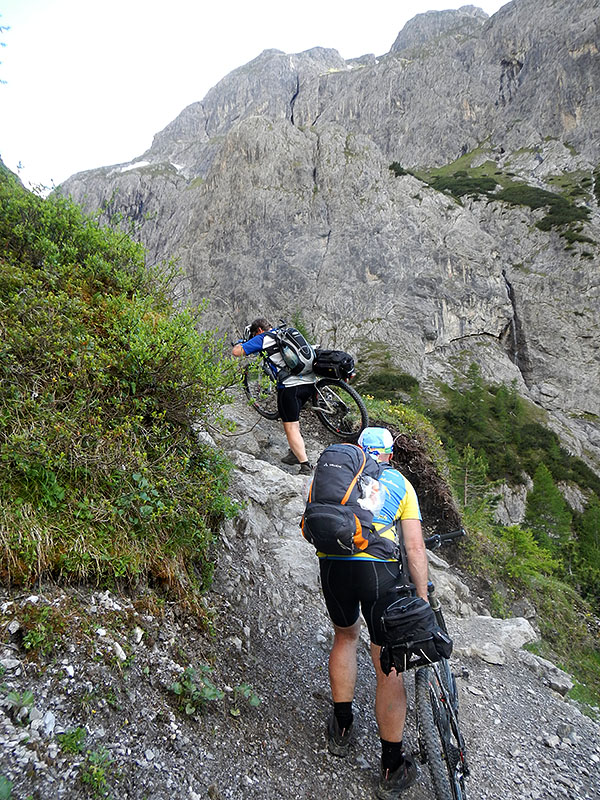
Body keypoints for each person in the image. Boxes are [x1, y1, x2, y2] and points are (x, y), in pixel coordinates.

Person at [317, 427, 428, 799]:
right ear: (390, 455)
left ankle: (342, 729)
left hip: (334, 566)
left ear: (357, 450)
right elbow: (414, 550)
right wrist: (422, 597)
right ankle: (391, 765)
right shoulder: (401, 484)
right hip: (378, 571)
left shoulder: (337, 474)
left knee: (345, 636)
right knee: (386, 661)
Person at [231, 317, 315, 475]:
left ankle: (305, 465)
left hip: (290, 386)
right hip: (309, 382)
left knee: (290, 425)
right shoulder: (282, 333)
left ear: (259, 331)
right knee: (294, 419)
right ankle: (294, 452)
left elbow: (237, 352)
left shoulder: (262, 338)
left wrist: (240, 343)